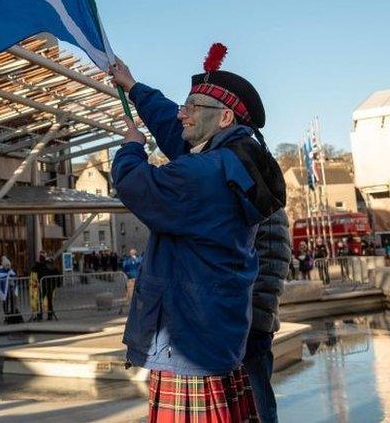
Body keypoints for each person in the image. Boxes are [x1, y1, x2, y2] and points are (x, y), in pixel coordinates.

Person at [108, 47, 284, 422]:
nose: (180, 113)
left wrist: (131, 148)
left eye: (191, 107)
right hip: (213, 333)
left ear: (224, 117)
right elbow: (177, 130)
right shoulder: (235, 158)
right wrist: (134, 87)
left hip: (188, 338)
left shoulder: (205, 173)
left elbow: (137, 186)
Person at [244, 208, 292, 423]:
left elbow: (272, 262)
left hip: (252, 324)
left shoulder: (263, 195)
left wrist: (254, 317)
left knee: (258, 402)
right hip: (244, 320)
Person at [29, 251, 57, 321]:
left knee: (45, 300)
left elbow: (54, 271)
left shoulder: (45, 264)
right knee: (43, 300)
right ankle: (42, 315)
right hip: (44, 285)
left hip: (47, 284)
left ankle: (44, 315)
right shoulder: (43, 264)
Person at [0, 256, 23, 324]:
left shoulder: (11, 271)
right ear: (4, 265)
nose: (8, 266)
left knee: (13, 302)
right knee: (5, 303)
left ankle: (12, 315)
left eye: (9, 265)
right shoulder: (0, 272)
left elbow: (14, 277)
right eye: (7, 265)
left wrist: (12, 281)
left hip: (11, 290)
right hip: (4, 291)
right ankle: (6, 316)